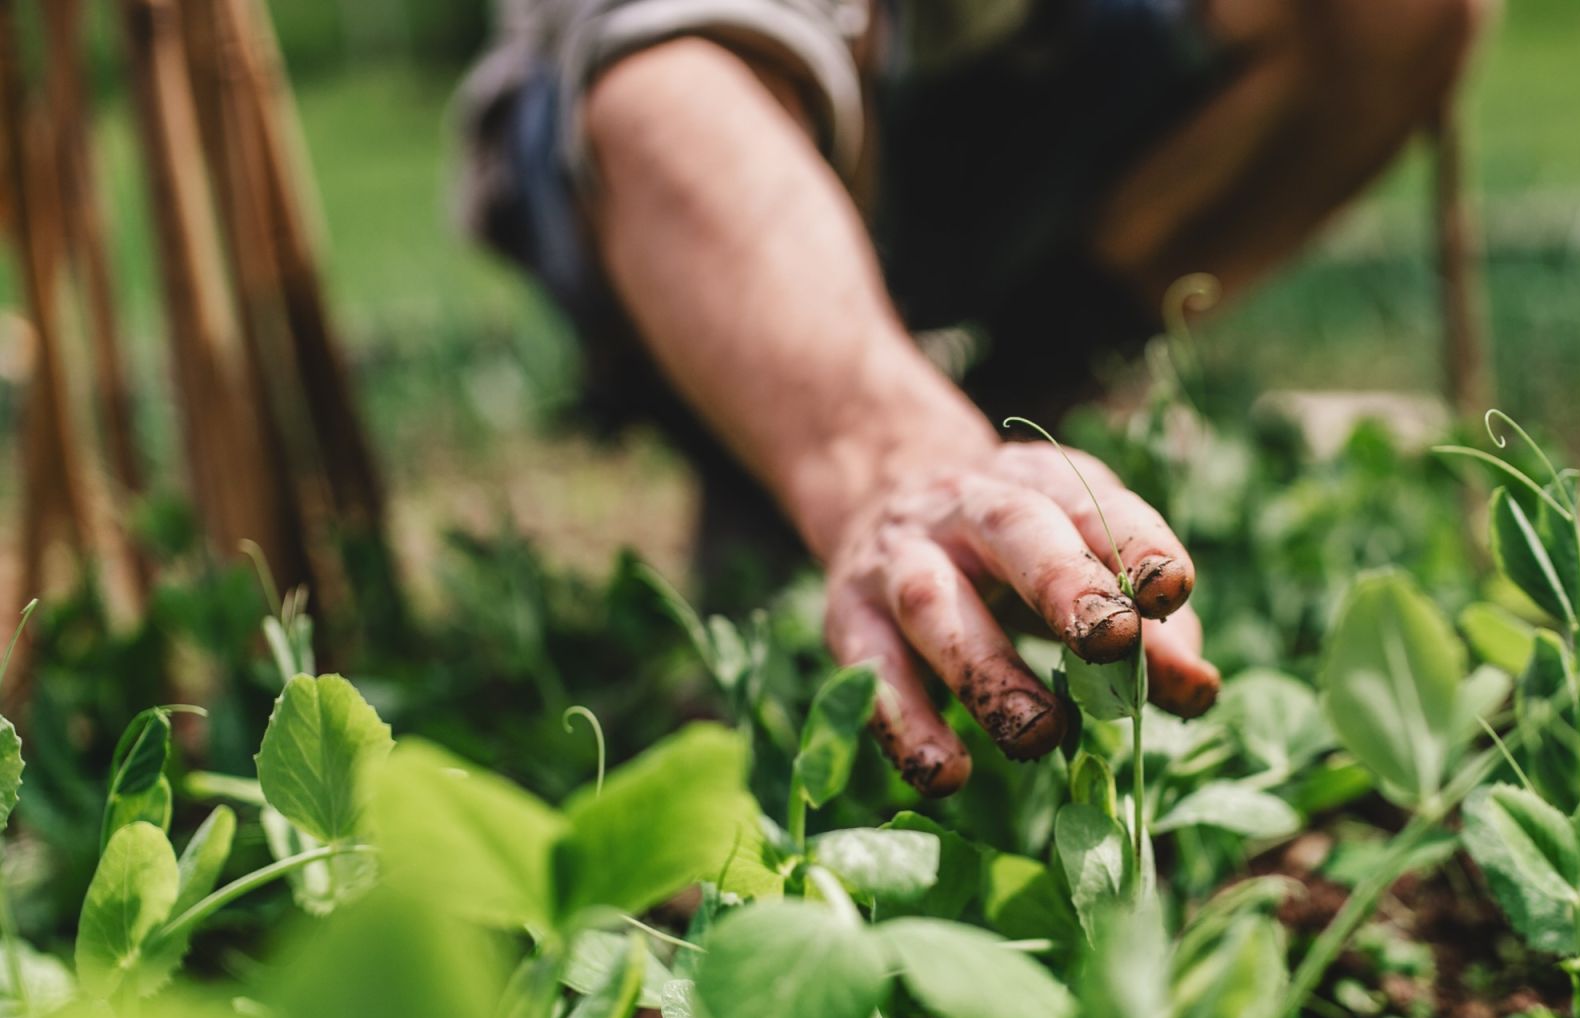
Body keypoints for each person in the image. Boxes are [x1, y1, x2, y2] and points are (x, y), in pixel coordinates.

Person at [458, 0, 1484, 795]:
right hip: (643, 132)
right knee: (684, 64)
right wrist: (889, 457)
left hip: (1014, 91)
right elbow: (668, 81)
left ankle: (1024, 394)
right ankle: (780, 446)